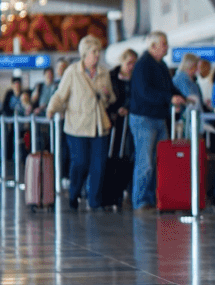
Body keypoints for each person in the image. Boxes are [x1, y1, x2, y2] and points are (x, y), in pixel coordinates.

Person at [47, 35, 115, 211]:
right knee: (80, 162)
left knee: (99, 165)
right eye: (94, 52)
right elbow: (61, 95)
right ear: (85, 54)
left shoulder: (103, 73)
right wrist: (51, 109)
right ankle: (74, 193)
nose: (97, 55)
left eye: (99, 51)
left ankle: (94, 201)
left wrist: (107, 95)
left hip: (99, 126)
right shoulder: (72, 72)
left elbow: (110, 99)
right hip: (77, 126)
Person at [129, 31, 187, 211]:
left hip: (159, 118)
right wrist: (169, 98)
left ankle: (156, 198)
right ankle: (140, 200)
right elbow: (145, 92)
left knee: (160, 162)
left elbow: (170, 87)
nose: (167, 46)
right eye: (163, 43)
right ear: (152, 46)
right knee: (145, 162)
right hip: (144, 119)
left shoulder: (161, 65)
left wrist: (180, 97)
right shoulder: (143, 65)